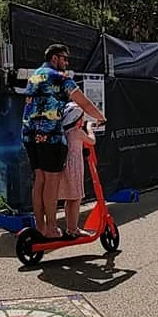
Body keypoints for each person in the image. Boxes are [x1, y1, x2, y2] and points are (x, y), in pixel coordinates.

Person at [22, 43, 105, 239]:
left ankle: (40, 227)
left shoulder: (34, 76)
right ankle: (51, 228)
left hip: (29, 133)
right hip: (50, 135)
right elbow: (83, 102)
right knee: (51, 180)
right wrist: (100, 117)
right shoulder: (60, 78)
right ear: (54, 58)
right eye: (64, 58)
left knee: (39, 179)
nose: (66, 63)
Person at [58, 102, 96, 238]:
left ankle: (71, 227)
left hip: (64, 168)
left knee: (69, 199)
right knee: (76, 199)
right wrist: (90, 128)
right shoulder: (77, 132)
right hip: (74, 168)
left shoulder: (65, 132)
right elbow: (92, 141)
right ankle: (73, 229)